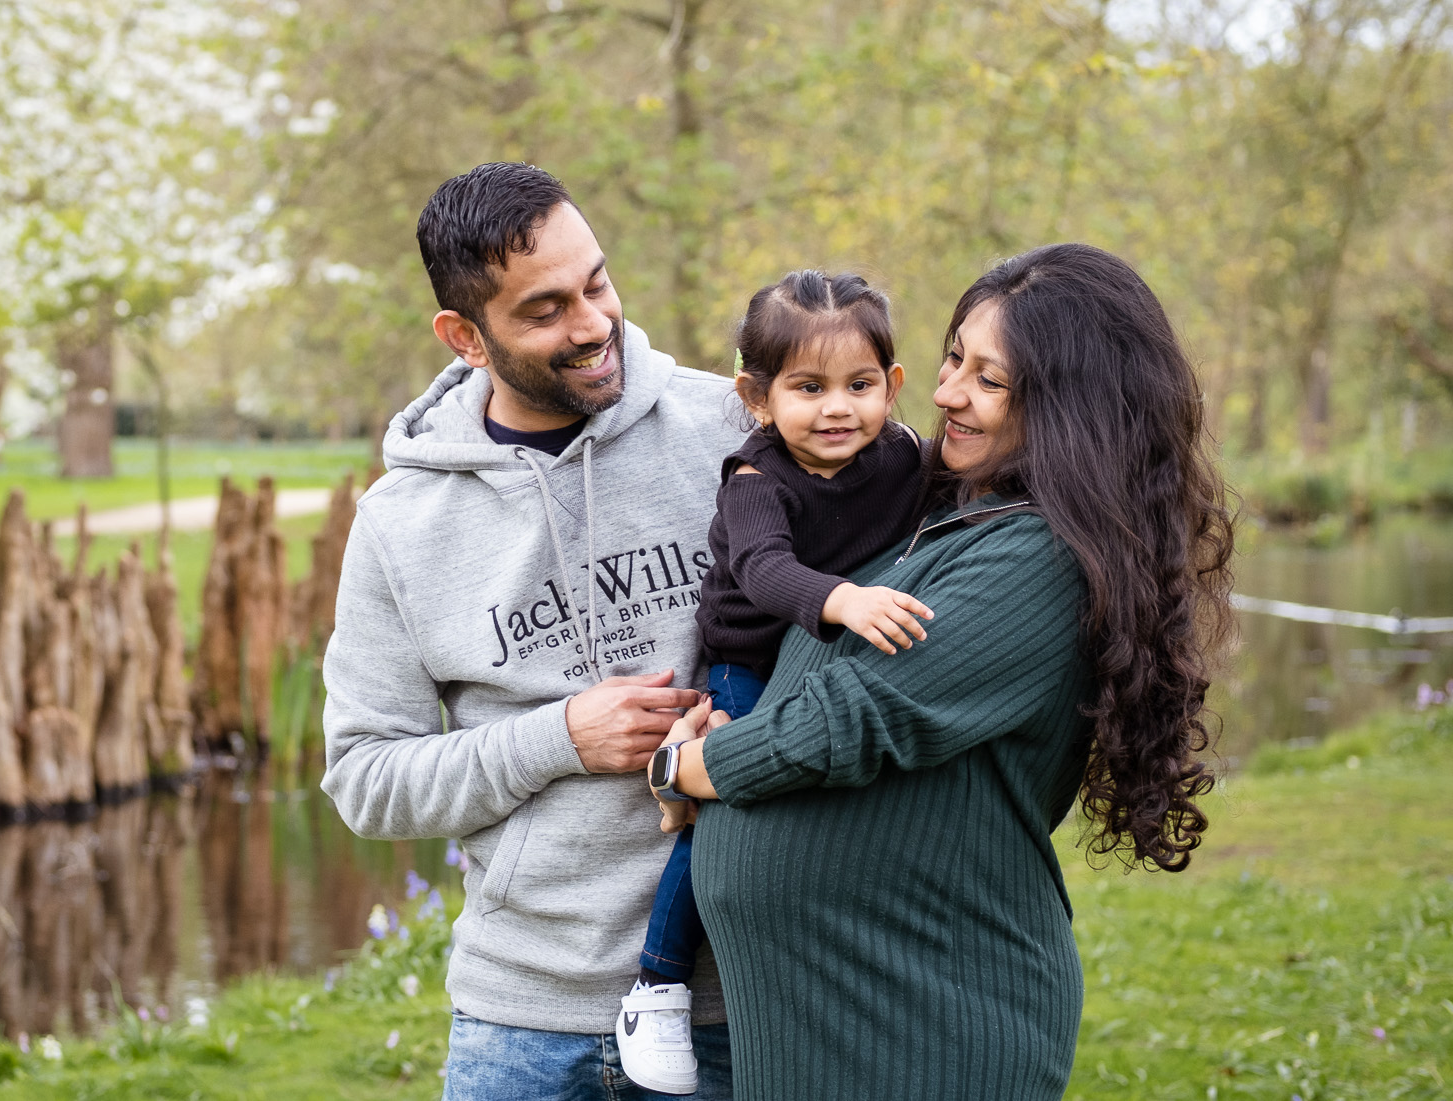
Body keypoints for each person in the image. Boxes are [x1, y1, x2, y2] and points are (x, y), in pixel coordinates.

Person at [652, 243, 1233, 1101]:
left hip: (926, 1019)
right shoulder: (951, 512)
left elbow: (857, 714)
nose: (946, 391)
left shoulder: (1040, 557)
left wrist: (693, 766)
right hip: (829, 1011)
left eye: (987, 379)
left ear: (1071, 406)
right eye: (953, 357)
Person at [321, 162, 740, 1100]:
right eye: (545, 309)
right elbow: (365, 781)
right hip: (521, 1022)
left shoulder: (730, 426)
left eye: (596, 283)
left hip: (731, 998)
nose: (593, 324)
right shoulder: (400, 523)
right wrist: (557, 740)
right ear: (465, 336)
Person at [617, 270, 935, 1094]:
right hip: (753, 656)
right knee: (730, 796)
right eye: (808, 387)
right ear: (756, 396)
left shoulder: (901, 456)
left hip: (838, 650)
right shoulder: (756, 480)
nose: (839, 408)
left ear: (892, 386)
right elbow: (763, 569)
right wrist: (844, 598)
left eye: (860, 385)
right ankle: (656, 981)